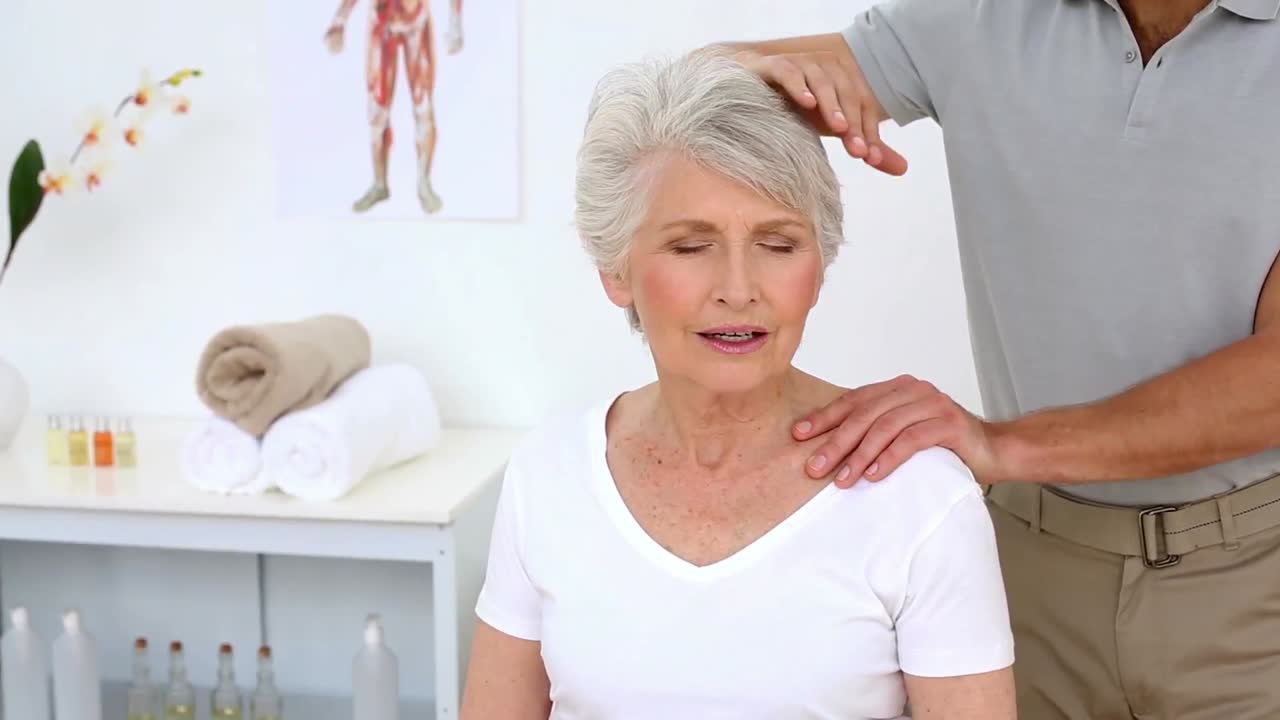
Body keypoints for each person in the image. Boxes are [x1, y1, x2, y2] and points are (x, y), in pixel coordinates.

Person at [718, 0, 1280, 717]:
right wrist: (744, 75)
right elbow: (726, 88)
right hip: (1023, 581)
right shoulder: (980, 14)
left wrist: (1002, 445)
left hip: (1253, 590)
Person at [459, 50, 1016, 719]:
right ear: (617, 270)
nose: (738, 289)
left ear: (818, 264)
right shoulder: (547, 477)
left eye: (778, 245)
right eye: (691, 247)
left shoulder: (920, 497)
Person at [324, 0, 463, 215]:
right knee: (377, 112)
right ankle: (380, 183)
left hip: (416, 20)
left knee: (423, 103)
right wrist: (340, 20)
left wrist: (455, 21)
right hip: (381, 24)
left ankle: (424, 183)